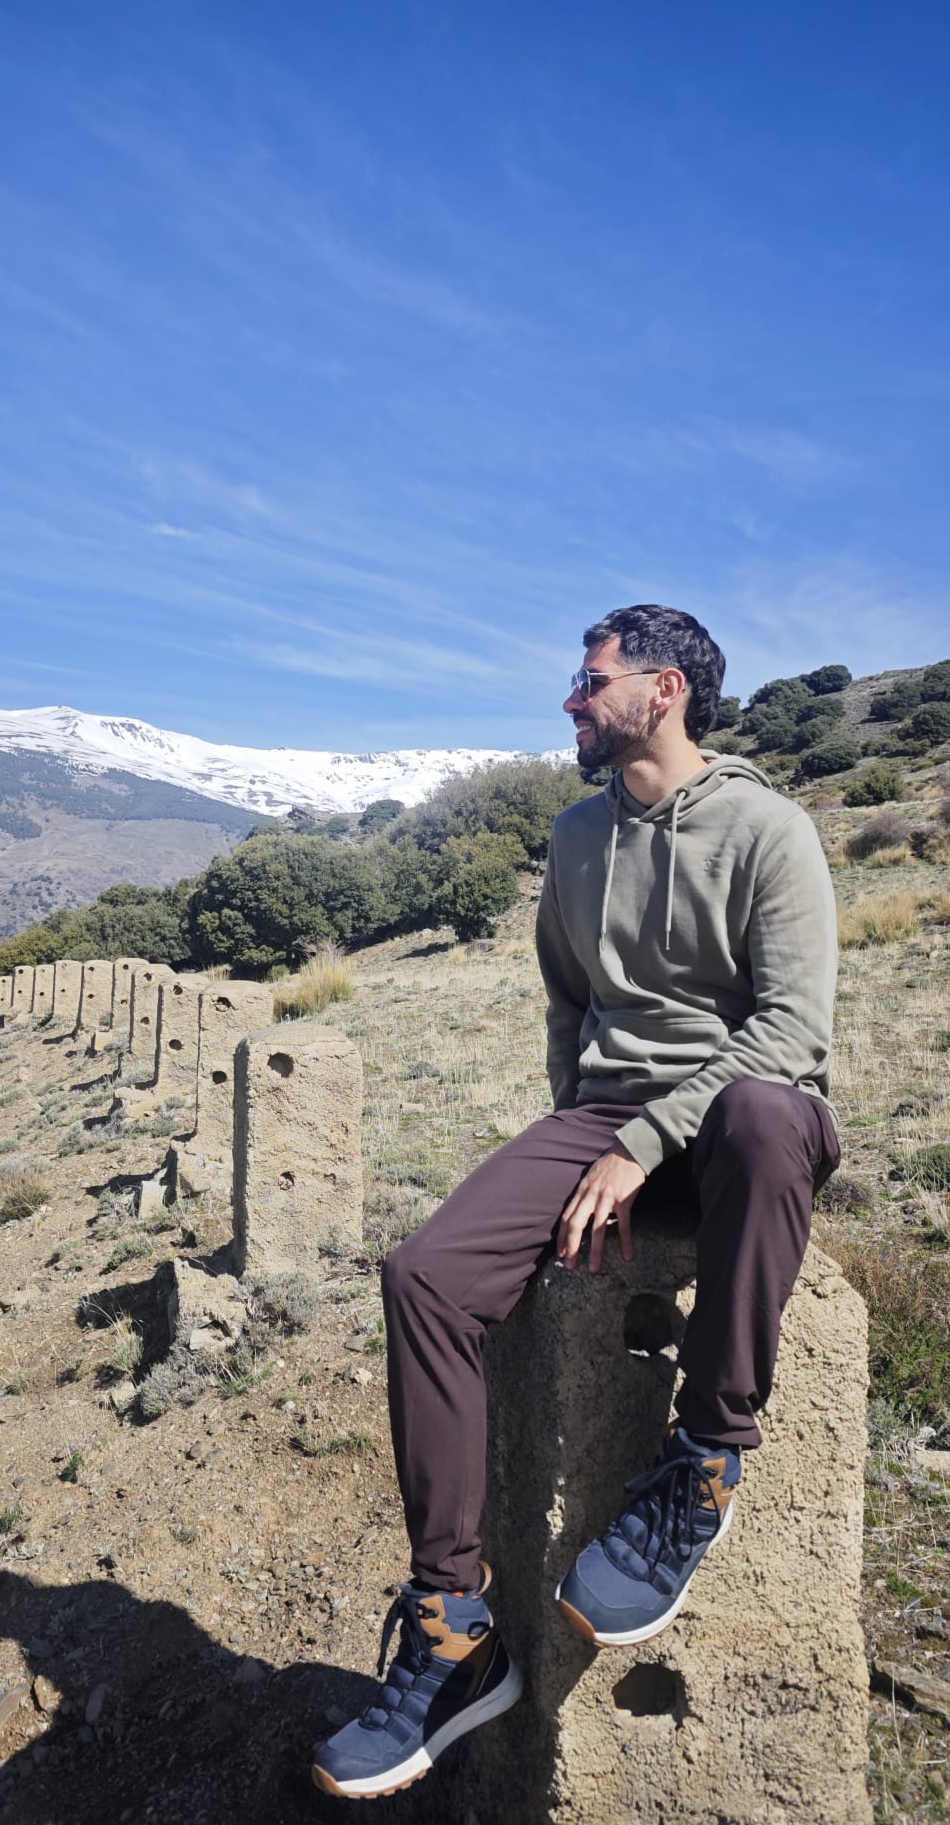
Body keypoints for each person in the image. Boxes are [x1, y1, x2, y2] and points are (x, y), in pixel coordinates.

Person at [312, 604, 840, 1802]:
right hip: (607, 1115)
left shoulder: (769, 828)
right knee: (425, 1277)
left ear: (663, 690)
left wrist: (647, 1142)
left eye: (589, 680)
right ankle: (453, 1624)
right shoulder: (576, 834)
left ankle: (704, 1459)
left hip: (744, 1113)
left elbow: (793, 1035)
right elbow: (567, 995)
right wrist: (579, 1134)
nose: (570, 699)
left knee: (765, 1119)